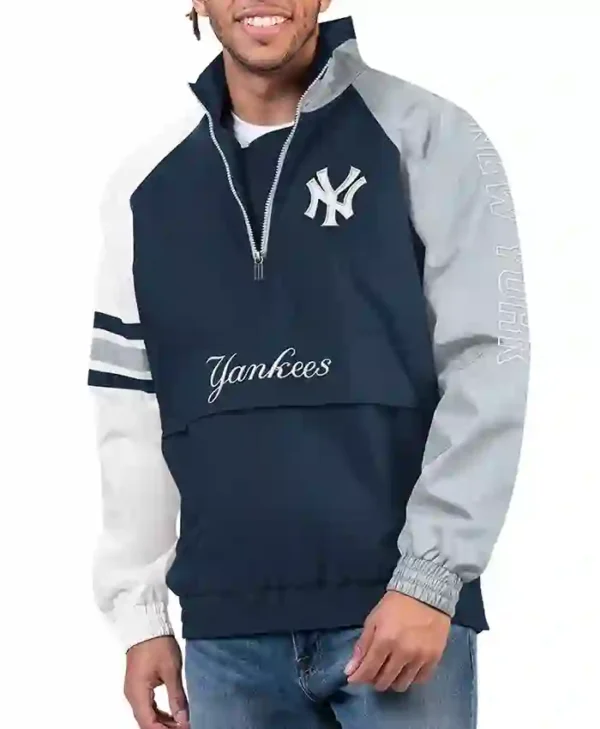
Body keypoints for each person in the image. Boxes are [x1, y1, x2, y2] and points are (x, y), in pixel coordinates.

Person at [87, 2, 530, 728]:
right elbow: (130, 406)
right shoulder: (145, 187)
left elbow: (486, 359)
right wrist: (140, 615)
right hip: (225, 638)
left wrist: (432, 575)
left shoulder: (428, 135)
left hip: (397, 620)